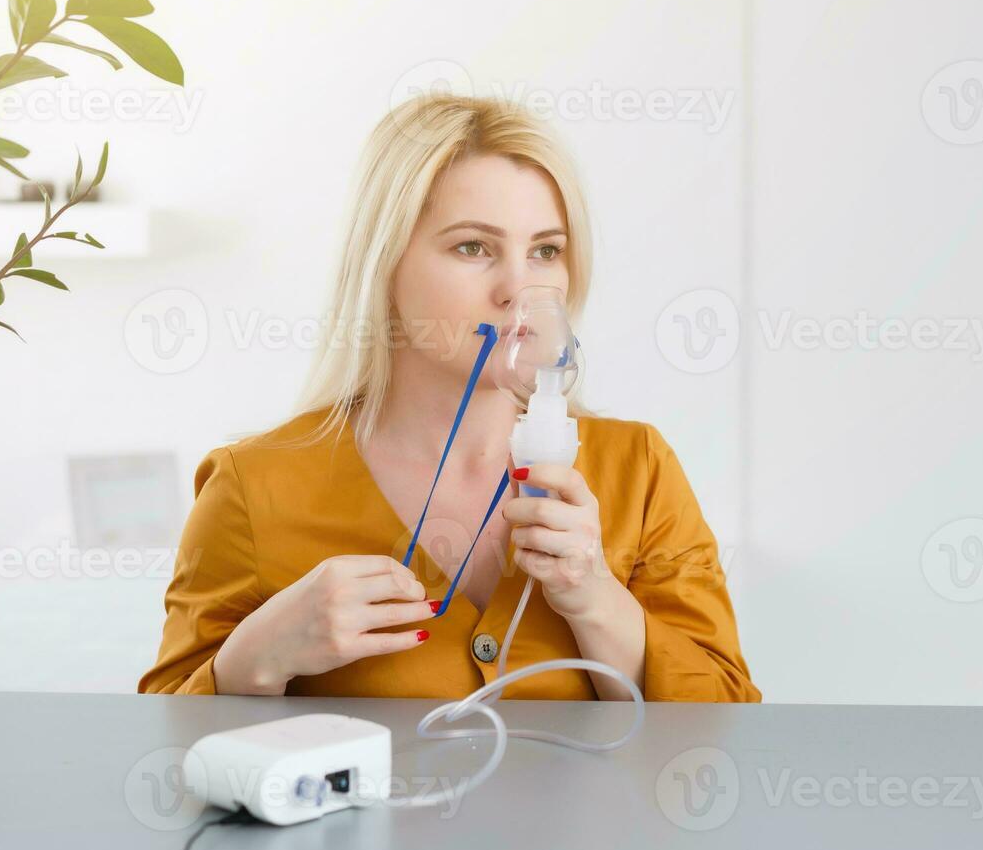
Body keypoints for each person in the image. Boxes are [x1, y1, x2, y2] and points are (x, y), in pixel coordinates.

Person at [138, 94, 761, 703]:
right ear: (385, 267)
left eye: (546, 250)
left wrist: (596, 598)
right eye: (474, 247)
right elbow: (163, 743)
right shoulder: (252, 487)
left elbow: (726, 734)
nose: (520, 288)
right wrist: (255, 658)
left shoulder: (640, 471)